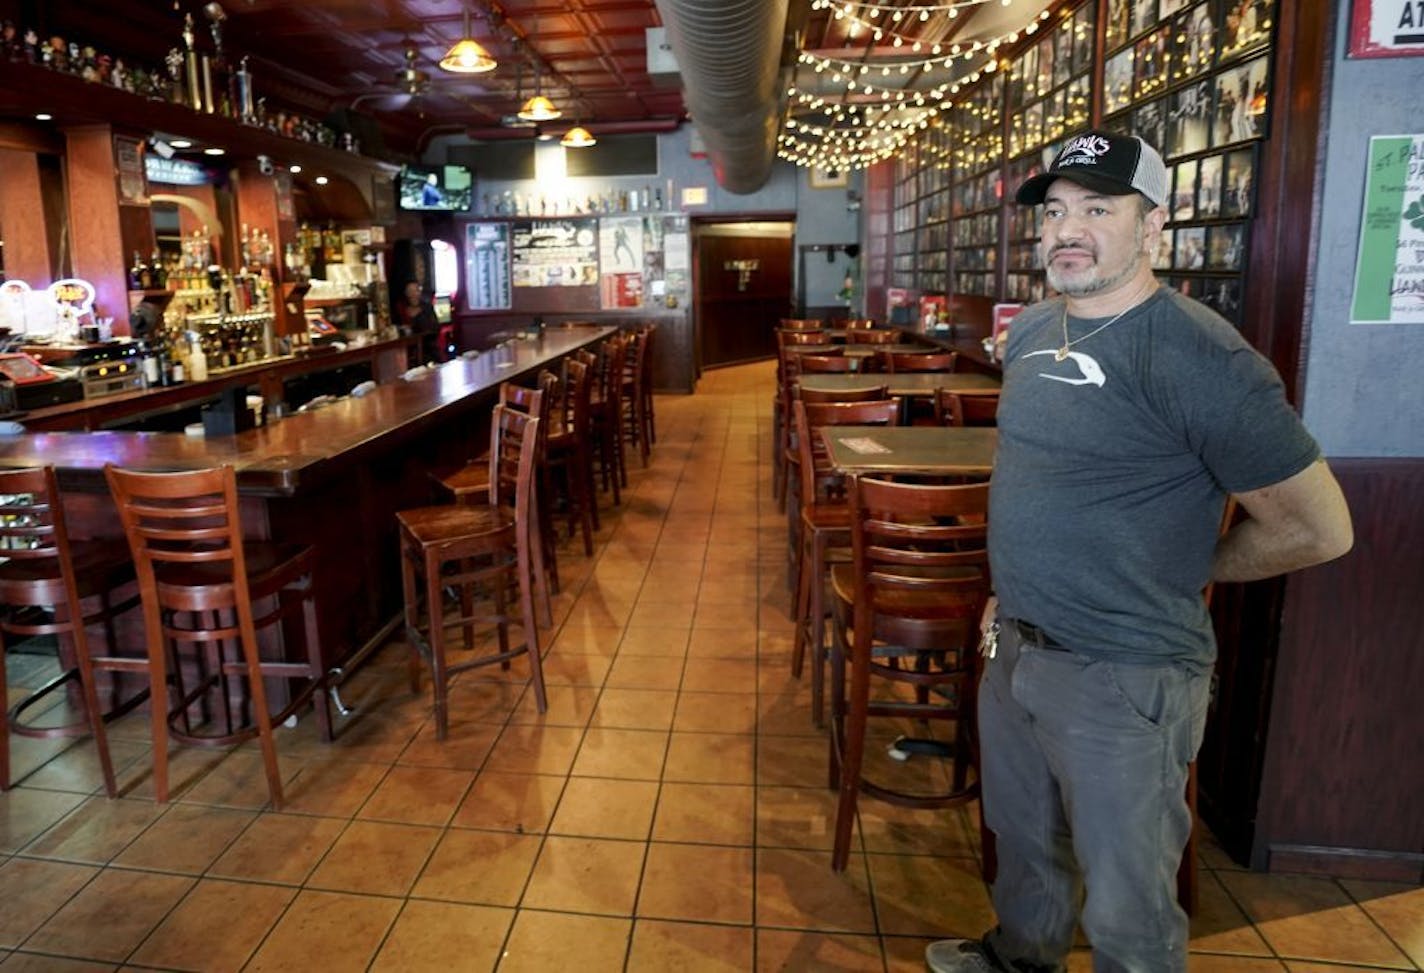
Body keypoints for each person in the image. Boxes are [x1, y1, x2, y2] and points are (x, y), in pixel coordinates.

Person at [926, 130, 1352, 973]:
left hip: (1127, 674)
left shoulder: (1203, 356)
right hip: (1015, 646)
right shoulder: (1037, 327)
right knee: (1023, 846)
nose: (1066, 229)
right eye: (1053, 211)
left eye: (1097, 208)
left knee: (1128, 901)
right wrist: (1004, 596)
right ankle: (1019, 960)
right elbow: (1037, 476)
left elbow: (1319, 527)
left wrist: (1193, 569)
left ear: (1152, 224)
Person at [395, 279, 439, 362]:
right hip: (407, 353)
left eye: (416, 291)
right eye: (410, 291)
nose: (413, 294)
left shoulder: (427, 308)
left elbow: (435, 329)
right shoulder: (401, 309)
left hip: (427, 351)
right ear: (406, 293)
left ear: (420, 292)